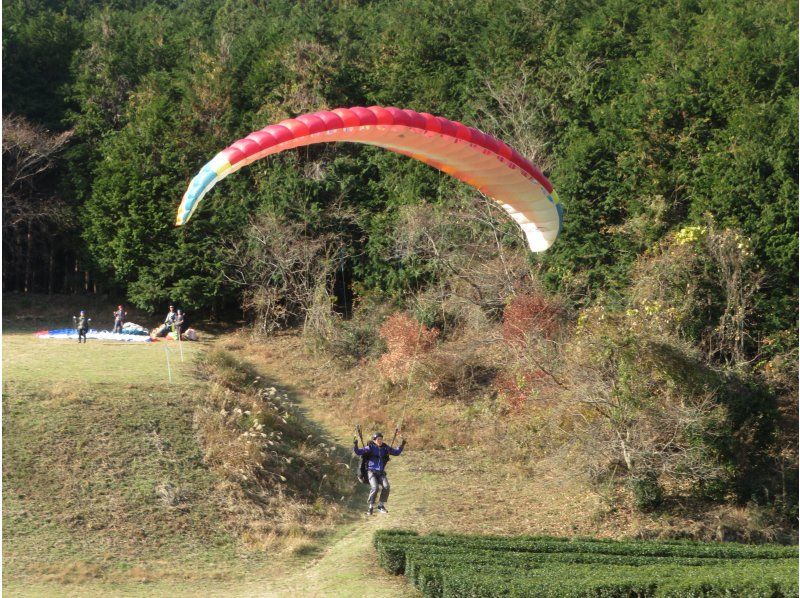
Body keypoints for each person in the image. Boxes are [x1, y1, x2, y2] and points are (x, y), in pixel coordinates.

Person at [353, 432, 406, 515]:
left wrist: (402, 445)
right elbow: (358, 452)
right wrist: (355, 445)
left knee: (386, 486)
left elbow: (396, 452)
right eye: (378, 439)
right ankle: (370, 507)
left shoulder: (385, 448)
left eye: (381, 439)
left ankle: (381, 506)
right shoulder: (370, 447)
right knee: (375, 487)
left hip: (381, 472)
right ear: (374, 440)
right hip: (371, 472)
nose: (380, 441)